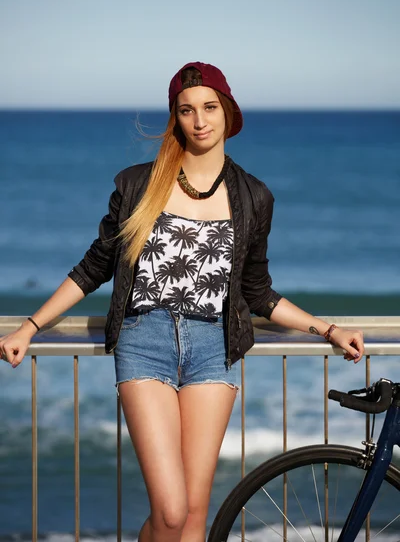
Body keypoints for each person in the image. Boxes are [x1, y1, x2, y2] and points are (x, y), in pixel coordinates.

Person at [0, 62, 364, 542]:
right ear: (175, 118)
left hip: (214, 347)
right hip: (144, 341)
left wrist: (327, 329)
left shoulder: (254, 197)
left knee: (193, 517)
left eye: (210, 107)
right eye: (187, 110)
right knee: (170, 512)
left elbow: (257, 291)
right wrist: (30, 326)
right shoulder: (138, 185)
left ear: (229, 113)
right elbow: (93, 268)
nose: (200, 120)